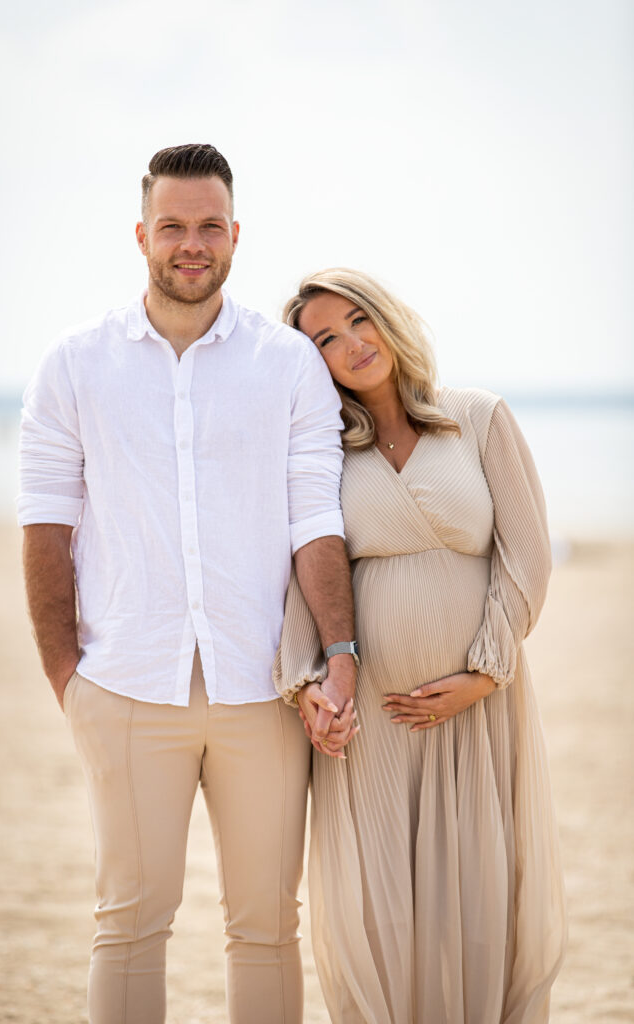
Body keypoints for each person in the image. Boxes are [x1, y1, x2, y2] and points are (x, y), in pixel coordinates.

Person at [17, 145, 359, 1024]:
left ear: (235, 235)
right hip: (125, 685)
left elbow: (313, 518)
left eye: (209, 226)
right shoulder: (74, 364)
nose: (191, 243)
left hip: (263, 691)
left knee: (265, 927)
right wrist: (69, 678)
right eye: (173, 226)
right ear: (142, 235)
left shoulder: (286, 363)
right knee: (128, 924)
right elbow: (46, 527)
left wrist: (340, 654)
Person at [275, 268, 567, 1024]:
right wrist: (307, 681)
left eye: (357, 320)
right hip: (372, 714)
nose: (350, 345)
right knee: (374, 901)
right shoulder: (323, 448)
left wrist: (484, 672)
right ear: (313, 364)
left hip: (477, 707)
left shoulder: (477, 418)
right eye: (324, 340)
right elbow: (309, 564)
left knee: (474, 892)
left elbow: (525, 556)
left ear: (387, 319)